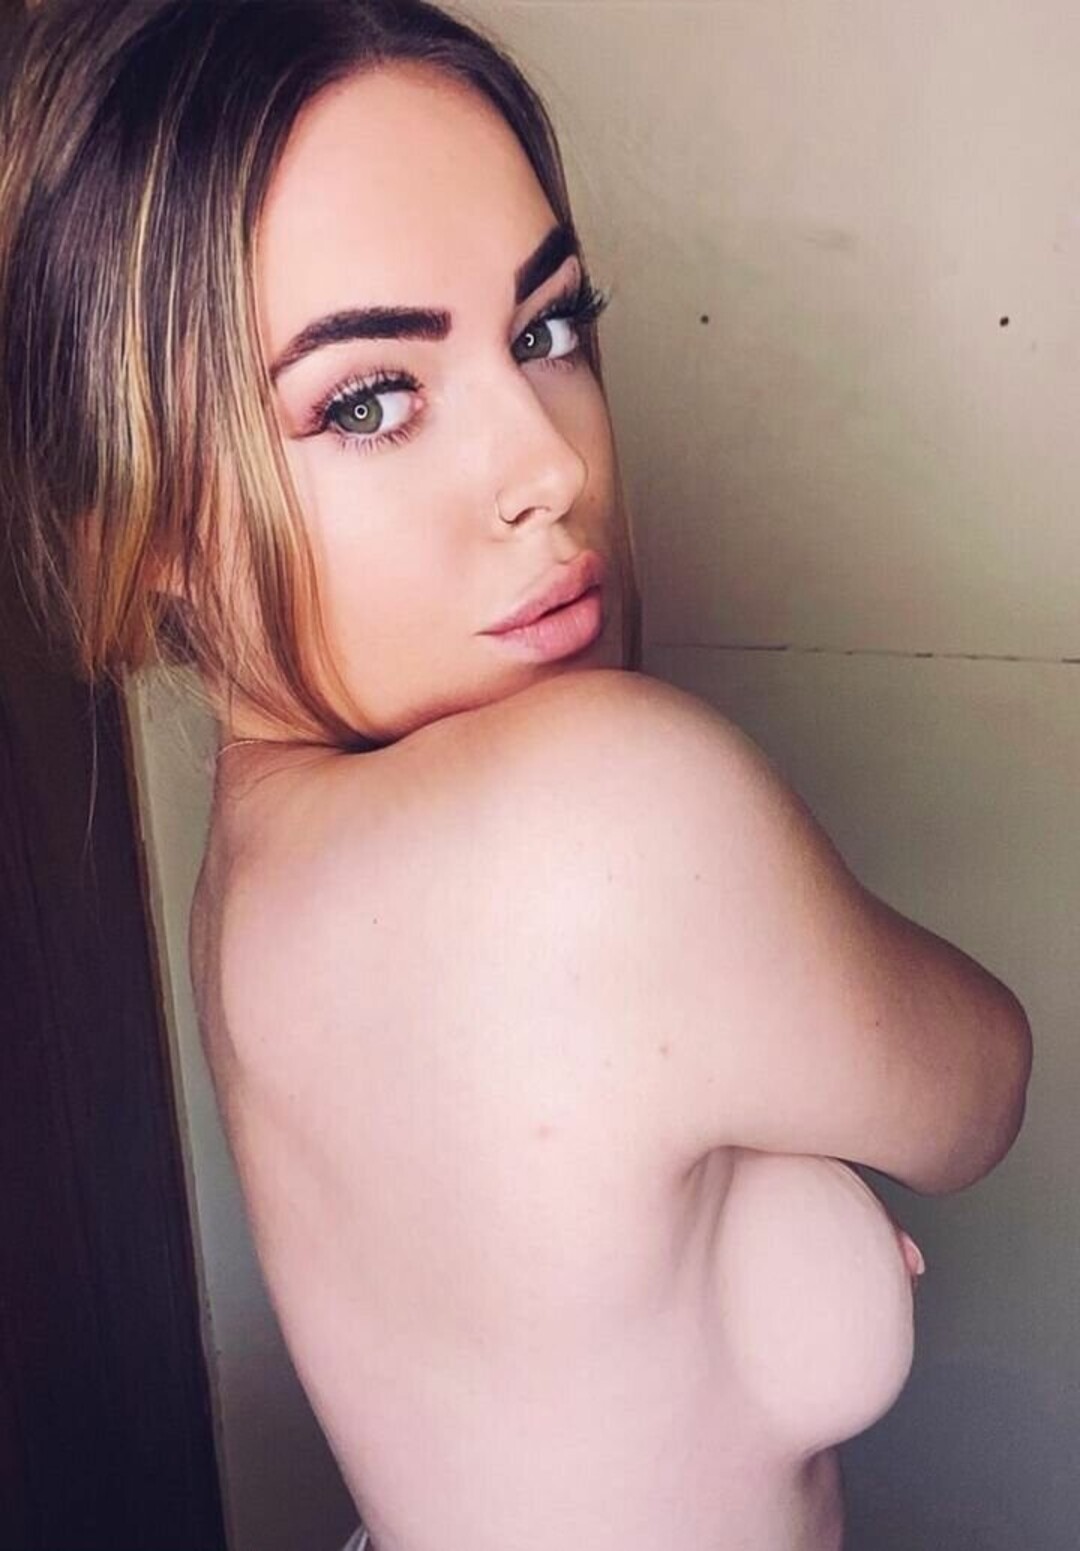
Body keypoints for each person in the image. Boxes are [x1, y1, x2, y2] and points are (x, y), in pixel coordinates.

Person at [0, 2, 1032, 1548]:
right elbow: (980, 1089)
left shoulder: (266, 862)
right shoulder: (605, 814)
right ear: (146, 530)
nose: (550, 467)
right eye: (368, 398)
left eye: (546, 328)